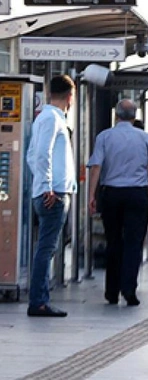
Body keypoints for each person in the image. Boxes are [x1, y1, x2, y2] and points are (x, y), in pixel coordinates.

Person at [87, 99, 148, 306]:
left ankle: (111, 291)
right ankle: (129, 289)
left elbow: (96, 166)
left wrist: (92, 196)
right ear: (134, 116)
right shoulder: (144, 137)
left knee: (113, 242)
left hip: (111, 194)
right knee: (133, 243)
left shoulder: (104, 136)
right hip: (136, 194)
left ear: (116, 115)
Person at [25, 74, 77, 317]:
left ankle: (40, 299)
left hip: (51, 191)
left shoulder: (46, 118)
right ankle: (39, 301)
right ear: (70, 96)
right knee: (46, 248)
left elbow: (30, 156)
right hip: (53, 194)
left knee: (46, 247)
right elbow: (41, 154)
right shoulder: (51, 119)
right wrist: (46, 187)